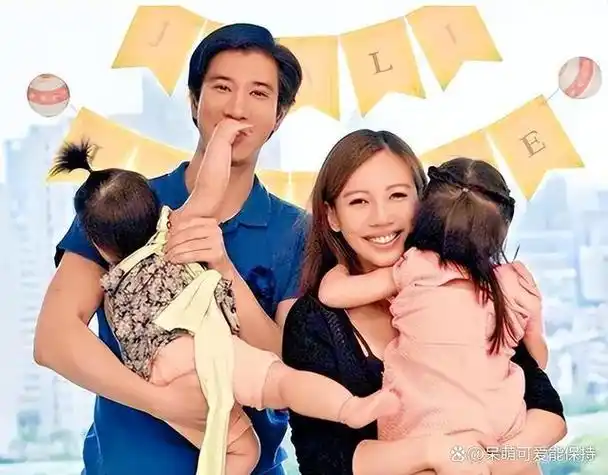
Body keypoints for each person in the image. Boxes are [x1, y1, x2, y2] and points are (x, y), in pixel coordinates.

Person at [34, 23, 307, 475]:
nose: (237, 107)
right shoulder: (124, 203)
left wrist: (223, 268)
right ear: (194, 101)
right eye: (222, 87)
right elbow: (54, 339)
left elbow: (292, 363)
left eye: (259, 93)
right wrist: (163, 402)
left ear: (279, 115)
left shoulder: (297, 231)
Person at [49, 131, 399, 475]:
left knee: (243, 451)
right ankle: (349, 408)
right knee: (284, 383)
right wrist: (220, 140)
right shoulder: (173, 232)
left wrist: (162, 400)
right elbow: (209, 189)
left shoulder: (112, 285)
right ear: (157, 210)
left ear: (97, 244)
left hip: (168, 372)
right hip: (216, 347)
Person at [282, 129, 567, 475]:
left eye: (397, 195)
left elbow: (547, 410)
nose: (381, 217)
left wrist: (488, 463)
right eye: (358, 201)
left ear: (425, 201)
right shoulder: (314, 322)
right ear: (332, 215)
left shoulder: (481, 288)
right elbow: (324, 461)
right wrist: (435, 452)